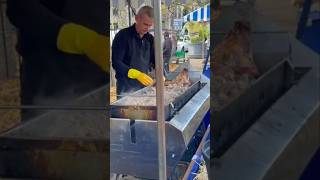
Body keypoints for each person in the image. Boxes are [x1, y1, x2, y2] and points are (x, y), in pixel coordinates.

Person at [6, 0, 109, 121]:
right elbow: (18, 8)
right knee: (52, 135)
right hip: (52, 76)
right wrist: (79, 38)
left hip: (104, 75)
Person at [112, 6, 155, 96]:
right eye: (145, 24)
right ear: (136, 19)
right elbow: (116, 62)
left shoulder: (150, 38)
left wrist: (160, 72)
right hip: (126, 87)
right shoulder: (123, 36)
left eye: (150, 25)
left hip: (144, 86)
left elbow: (154, 60)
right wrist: (136, 74)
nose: (147, 28)